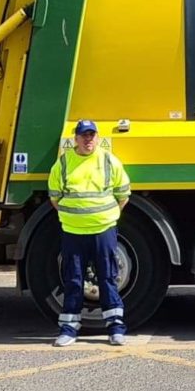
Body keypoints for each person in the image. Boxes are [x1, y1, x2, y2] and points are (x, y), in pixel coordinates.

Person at [47, 119, 131, 347]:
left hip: (103, 229)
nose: (88, 140)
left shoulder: (108, 160)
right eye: (84, 135)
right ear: (75, 139)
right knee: (74, 279)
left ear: (97, 137)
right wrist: (74, 216)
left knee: (108, 277)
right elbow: (54, 197)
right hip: (73, 231)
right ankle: (69, 329)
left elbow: (123, 194)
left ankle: (115, 328)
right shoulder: (64, 163)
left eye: (92, 135)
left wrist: (107, 216)